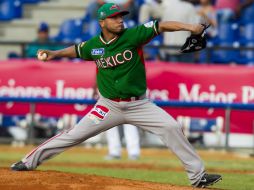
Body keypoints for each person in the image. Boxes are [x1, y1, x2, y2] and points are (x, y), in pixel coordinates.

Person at [11, 3, 222, 188]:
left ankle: (198, 177)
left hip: (139, 105)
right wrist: (54, 54)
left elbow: (161, 25)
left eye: (121, 16)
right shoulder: (95, 45)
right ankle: (28, 162)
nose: (120, 20)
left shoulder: (133, 35)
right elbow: (77, 50)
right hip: (108, 106)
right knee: (73, 135)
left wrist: (191, 27)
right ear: (102, 22)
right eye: (115, 17)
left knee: (172, 127)